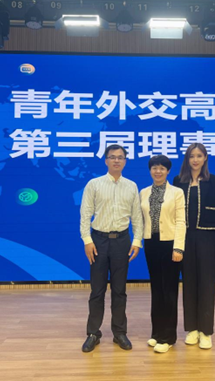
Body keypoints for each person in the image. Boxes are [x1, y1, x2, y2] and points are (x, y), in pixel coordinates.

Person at [80, 144, 144, 353]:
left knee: (119, 290)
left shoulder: (131, 186)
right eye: (112, 157)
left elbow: (137, 217)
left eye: (120, 157)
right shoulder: (94, 184)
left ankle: (119, 333)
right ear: (106, 160)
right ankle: (93, 333)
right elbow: (85, 214)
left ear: (125, 161)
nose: (117, 160)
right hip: (98, 241)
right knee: (97, 290)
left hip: (122, 241)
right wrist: (87, 240)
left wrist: (137, 241)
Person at [173, 143, 215, 350]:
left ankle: (206, 331)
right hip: (184, 237)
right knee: (188, 282)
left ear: (205, 158)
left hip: (207, 237)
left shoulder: (214, 181)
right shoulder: (178, 181)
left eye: (199, 156)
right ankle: (192, 329)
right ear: (187, 159)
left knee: (206, 283)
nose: (195, 160)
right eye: (191, 156)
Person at [140, 155, 186, 353]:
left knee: (169, 291)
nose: (157, 171)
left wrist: (178, 248)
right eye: (154, 168)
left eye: (162, 168)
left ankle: (168, 337)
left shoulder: (177, 192)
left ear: (168, 171)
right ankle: (157, 333)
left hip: (170, 244)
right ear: (150, 170)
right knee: (156, 289)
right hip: (151, 243)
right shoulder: (143, 192)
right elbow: (141, 220)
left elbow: (181, 221)